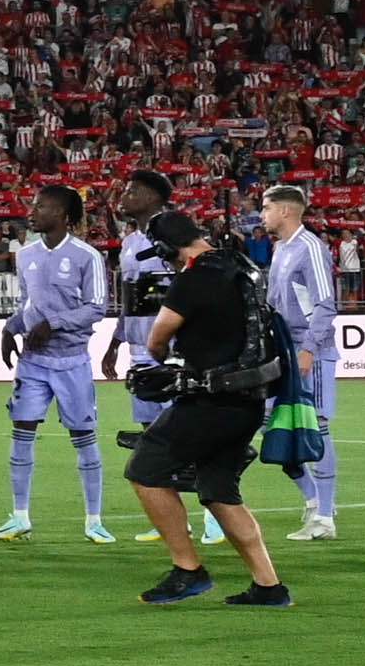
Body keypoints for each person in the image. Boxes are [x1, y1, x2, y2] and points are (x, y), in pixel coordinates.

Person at [121, 210, 292, 606]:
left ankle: (188, 569)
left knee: (144, 469)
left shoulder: (192, 279)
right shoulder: (242, 266)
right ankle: (269, 585)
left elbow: (156, 340)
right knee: (219, 490)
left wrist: (170, 356)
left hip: (209, 401)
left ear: (166, 248)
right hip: (247, 402)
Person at [0, 183, 113, 544]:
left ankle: (94, 520)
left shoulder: (86, 256)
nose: (32, 211)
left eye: (41, 206)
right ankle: (19, 517)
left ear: (61, 215)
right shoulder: (26, 255)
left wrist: (55, 324)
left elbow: (97, 307)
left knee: (82, 435)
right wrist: (10, 328)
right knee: (22, 431)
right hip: (33, 362)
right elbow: (28, 304)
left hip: (71, 360)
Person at [103, 171, 210, 546]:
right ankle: (170, 515)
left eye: (132, 190)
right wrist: (116, 341)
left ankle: (213, 515)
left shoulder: (178, 240)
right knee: (153, 437)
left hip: (174, 351)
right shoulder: (130, 242)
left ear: (152, 197)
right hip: (140, 350)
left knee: (189, 433)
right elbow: (132, 300)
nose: (124, 195)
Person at [259, 184, 343, 540]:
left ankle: (325, 517)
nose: (262, 215)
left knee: (317, 427)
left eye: (266, 208)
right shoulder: (281, 249)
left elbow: (326, 303)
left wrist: (308, 348)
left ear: (285, 211)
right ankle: (312, 498)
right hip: (283, 351)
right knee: (271, 425)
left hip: (312, 352)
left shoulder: (311, 248)